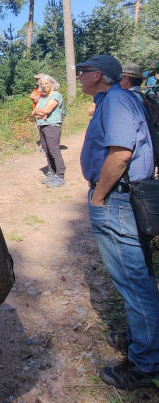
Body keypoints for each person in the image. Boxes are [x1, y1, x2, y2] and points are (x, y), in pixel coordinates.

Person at [77, 54, 159, 389]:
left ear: (97, 75)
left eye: (83, 72)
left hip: (116, 199)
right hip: (124, 197)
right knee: (138, 274)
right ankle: (144, 337)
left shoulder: (115, 102)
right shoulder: (118, 99)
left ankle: (145, 361)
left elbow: (121, 154)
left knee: (132, 279)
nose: (79, 77)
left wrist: (99, 198)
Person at [32, 75, 66, 188]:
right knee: (46, 151)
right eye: (42, 84)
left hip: (52, 126)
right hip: (42, 125)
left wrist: (41, 112)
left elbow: (47, 110)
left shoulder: (56, 95)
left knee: (54, 150)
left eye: (46, 83)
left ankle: (60, 176)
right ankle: (51, 173)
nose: (44, 86)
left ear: (52, 84)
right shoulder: (42, 97)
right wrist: (41, 113)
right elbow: (34, 112)